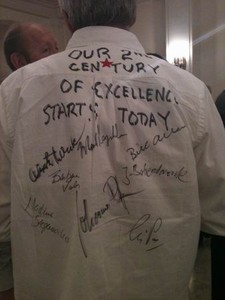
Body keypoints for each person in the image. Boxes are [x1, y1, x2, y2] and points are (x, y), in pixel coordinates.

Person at [1, 0, 225, 299]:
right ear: (133, 14)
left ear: (66, 17)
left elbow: (2, 214)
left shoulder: (16, 91)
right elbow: (219, 208)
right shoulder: (189, 90)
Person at [0, 22, 58, 300]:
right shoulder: (6, 105)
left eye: (58, 47)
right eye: (46, 50)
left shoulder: (58, 97)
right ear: (18, 61)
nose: (58, 56)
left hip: (44, 233)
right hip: (8, 234)